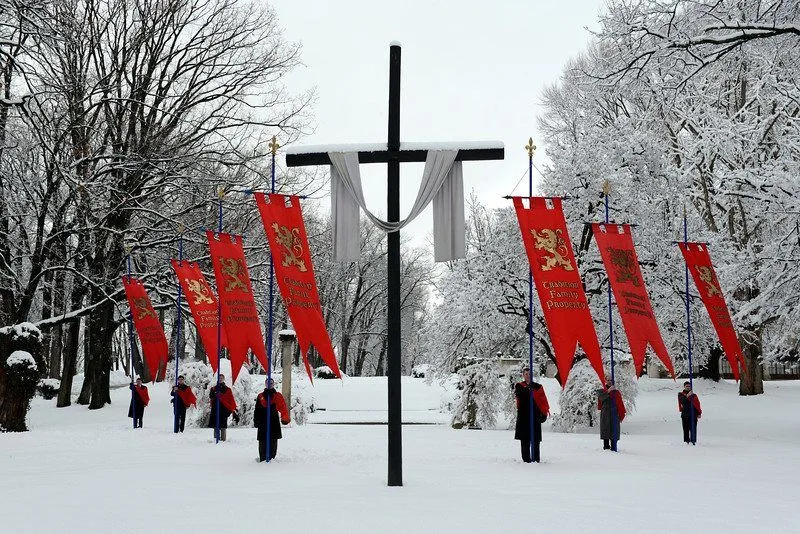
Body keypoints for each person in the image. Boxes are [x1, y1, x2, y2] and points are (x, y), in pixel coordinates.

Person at [514, 367, 550, 463]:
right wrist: (527, 389)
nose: (528, 376)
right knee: (525, 440)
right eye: (526, 374)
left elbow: (542, 400)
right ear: (523, 375)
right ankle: (526, 460)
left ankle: (536, 459)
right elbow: (519, 396)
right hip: (524, 416)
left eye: (530, 374)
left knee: (535, 439)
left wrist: (543, 413)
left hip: (535, 416)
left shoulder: (538, 386)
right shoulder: (519, 386)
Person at [253, 377, 290, 462]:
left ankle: (272, 457)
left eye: (271, 383)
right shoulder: (260, 396)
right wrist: (256, 420)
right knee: (262, 440)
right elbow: (257, 409)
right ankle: (262, 457)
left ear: (273, 384)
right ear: (265, 384)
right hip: (262, 420)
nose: (269, 384)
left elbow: (283, 407)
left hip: (273, 420)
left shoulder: (277, 395)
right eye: (268, 383)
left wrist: (285, 418)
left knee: (273, 439)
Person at [208, 374, 239, 441]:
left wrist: (231, 408)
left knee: (223, 425)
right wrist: (214, 394)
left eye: (222, 378)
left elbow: (230, 399)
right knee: (216, 425)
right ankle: (216, 439)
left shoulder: (228, 389)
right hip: (215, 408)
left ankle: (223, 440)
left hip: (223, 409)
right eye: (219, 378)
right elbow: (211, 398)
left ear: (223, 379)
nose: (220, 379)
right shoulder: (213, 388)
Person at [597, 381, 626, 451]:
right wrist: (609, 391)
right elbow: (601, 398)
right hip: (605, 413)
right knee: (606, 430)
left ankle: (614, 447)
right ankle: (606, 447)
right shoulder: (601, 390)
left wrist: (621, 413)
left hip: (614, 413)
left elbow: (620, 403)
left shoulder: (616, 392)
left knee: (614, 430)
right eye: (608, 380)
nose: (610, 382)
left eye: (611, 381)